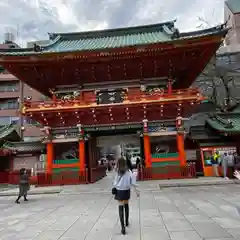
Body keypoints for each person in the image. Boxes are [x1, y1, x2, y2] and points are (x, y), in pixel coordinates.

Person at [112, 157, 140, 235]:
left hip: (119, 191)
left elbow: (115, 182)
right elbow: (133, 181)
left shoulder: (117, 172)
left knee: (120, 207)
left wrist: (114, 187)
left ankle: (122, 227)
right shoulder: (128, 171)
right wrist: (136, 191)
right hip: (126, 190)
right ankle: (127, 222)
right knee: (126, 205)